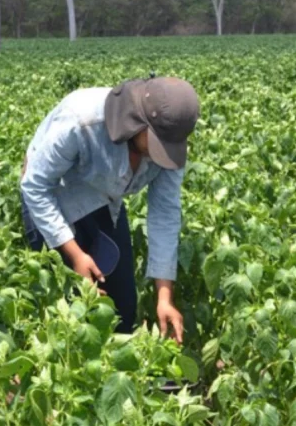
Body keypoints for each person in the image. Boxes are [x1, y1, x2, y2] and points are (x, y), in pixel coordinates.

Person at [19, 76, 200, 344]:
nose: (161, 154)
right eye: (157, 145)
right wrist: (76, 256)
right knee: (68, 311)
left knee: (122, 308)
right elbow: (35, 186)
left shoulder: (171, 140)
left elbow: (165, 213)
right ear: (138, 124)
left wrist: (164, 297)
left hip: (105, 200)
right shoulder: (81, 121)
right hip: (53, 196)